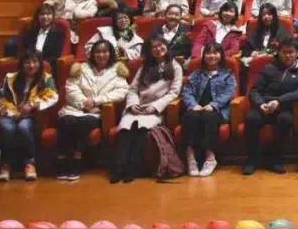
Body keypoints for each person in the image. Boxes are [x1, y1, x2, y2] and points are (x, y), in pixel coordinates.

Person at [110, 38, 182, 183]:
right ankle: (118, 168)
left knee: (141, 131)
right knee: (125, 130)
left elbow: (174, 93)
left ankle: (132, 169)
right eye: (154, 47)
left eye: (160, 45)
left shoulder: (175, 66)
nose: (158, 49)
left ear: (166, 46)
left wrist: (154, 107)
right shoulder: (145, 66)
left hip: (155, 109)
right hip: (137, 106)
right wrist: (133, 104)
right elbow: (133, 89)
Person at [55, 40, 128, 181]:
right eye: (98, 52)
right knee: (66, 121)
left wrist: (96, 101)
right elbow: (71, 88)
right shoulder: (81, 68)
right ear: (92, 54)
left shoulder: (117, 70)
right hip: (76, 107)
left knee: (84, 122)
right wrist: (84, 103)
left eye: (105, 52)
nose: (101, 55)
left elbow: (121, 92)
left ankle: (77, 159)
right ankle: (62, 159)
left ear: (110, 54)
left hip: (98, 111)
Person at [243, 40, 298, 175]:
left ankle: (276, 159)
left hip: (283, 107)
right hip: (263, 105)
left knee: (285, 120)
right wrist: (260, 104)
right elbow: (254, 90)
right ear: (278, 53)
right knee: (251, 118)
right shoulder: (269, 68)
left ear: (297, 53)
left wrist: (279, 101)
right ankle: (252, 160)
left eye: (291, 52)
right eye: (284, 52)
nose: (288, 55)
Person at [0, 51, 59, 182]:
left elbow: (53, 96)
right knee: (6, 127)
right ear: (21, 64)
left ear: (40, 63)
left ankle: (30, 164)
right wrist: (15, 113)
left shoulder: (46, 78)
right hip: (10, 115)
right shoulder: (10, 78)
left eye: (35, 61)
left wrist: (32, 105)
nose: (31, 65)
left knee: (24, 126)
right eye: (27, 62)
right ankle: (6, 164)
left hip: (33, 116)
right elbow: (0, 99)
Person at [181, 43, 237, 177]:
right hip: (197, 109)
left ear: (221, 55)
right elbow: (187, 92)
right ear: (204, 55)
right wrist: (193, 105)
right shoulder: (196, 74)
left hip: (218, 110)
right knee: (190, 117)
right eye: (208, 53)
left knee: (209, 116)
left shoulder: (228, 74)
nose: (212, 56)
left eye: (215, 53)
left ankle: (210, 157)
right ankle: (191, 157)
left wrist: (214, 105)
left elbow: (229, 93)